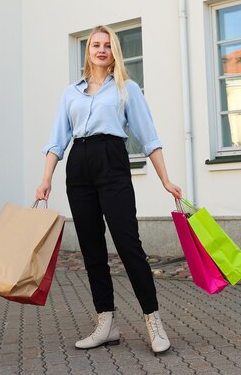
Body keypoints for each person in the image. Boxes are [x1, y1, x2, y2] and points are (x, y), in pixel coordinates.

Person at [36, 25, 182, 353]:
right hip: (79, 166)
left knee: (128, 244)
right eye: (95, 45)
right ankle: (107, 323)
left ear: (115, 51)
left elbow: (149, 138)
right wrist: (45, 180)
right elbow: (57, 140)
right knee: (92, 249)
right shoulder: (70, 92)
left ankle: (153, 320)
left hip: (112, 161)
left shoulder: (126, 88)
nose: (101, 50)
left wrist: (165, 180)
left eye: (107, 45)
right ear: (88, 52)